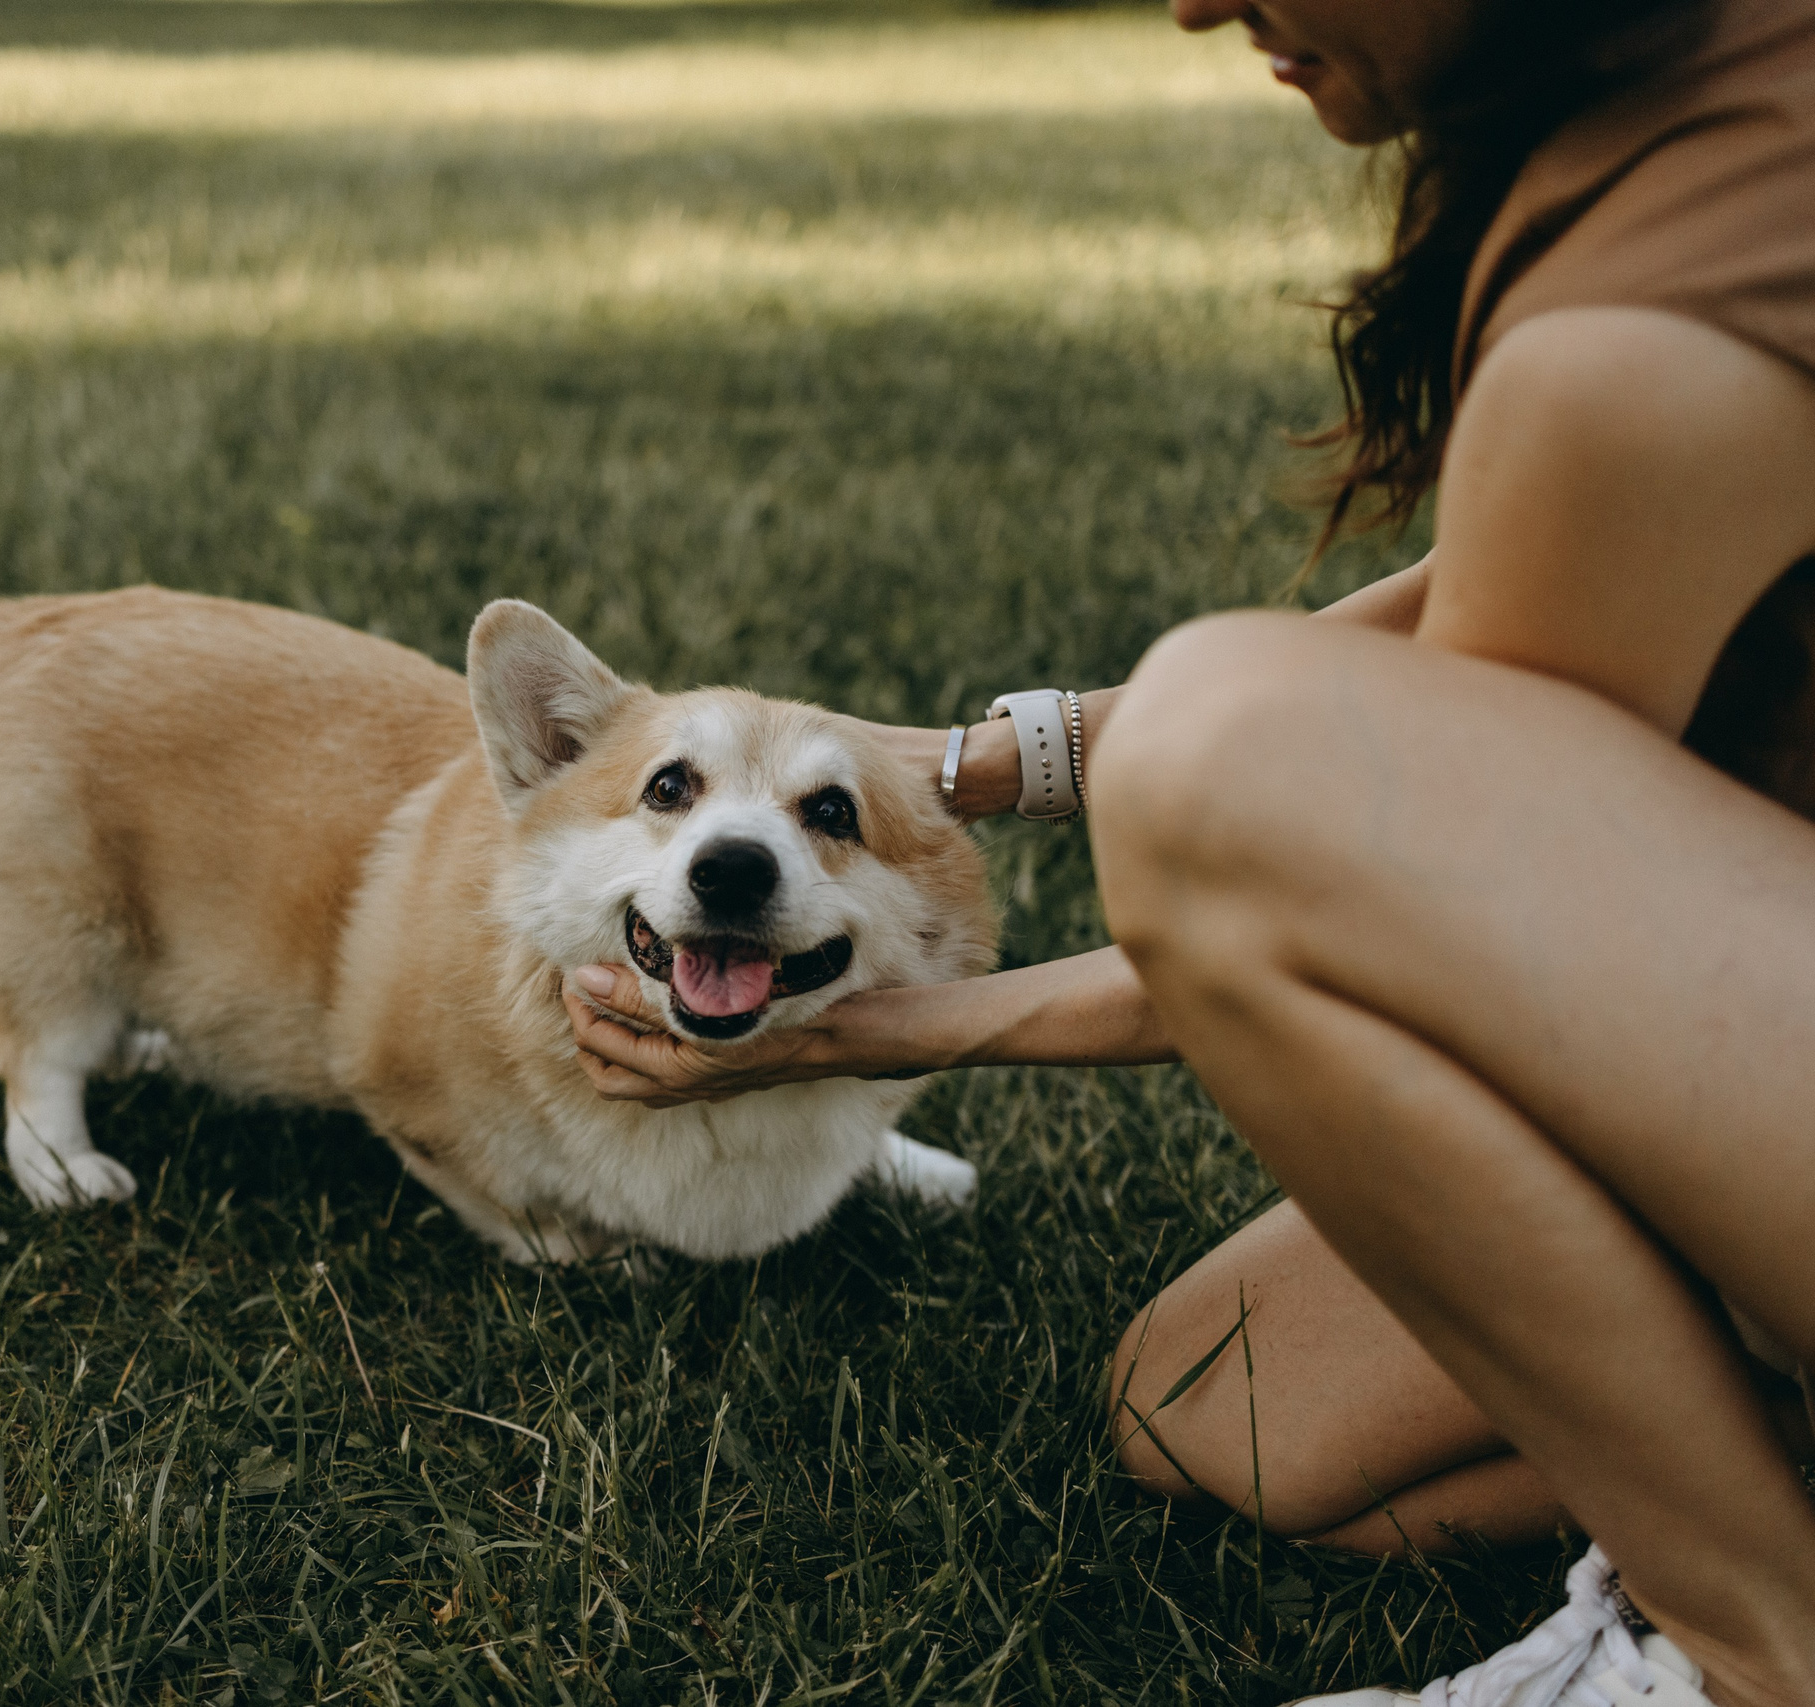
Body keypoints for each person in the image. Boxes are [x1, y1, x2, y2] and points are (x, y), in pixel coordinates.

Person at [560, 0, 1815, 1702]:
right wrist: (1012, 759)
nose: (1201, 3)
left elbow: (1399, 894)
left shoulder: (1663, 313)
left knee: (1236, 749)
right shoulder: (1678, 100)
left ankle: (1738, 1644)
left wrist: (853, 1029)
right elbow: (1484, 596)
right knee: (1210, 1406)